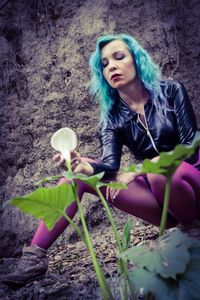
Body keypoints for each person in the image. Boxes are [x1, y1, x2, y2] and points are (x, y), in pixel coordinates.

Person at [1, 34, 200, 286]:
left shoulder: (171, 91)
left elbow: (190, 150)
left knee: (157, 173)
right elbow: (110, 166)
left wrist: (139, 169)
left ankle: (194, 230)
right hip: (162, 202)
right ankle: (34, 258)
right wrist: (83, 165)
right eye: (104, 64)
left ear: (136, 61)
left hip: (192, 184)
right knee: (76, 176)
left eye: (119, 57)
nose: (112, 66)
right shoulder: (112, 118)